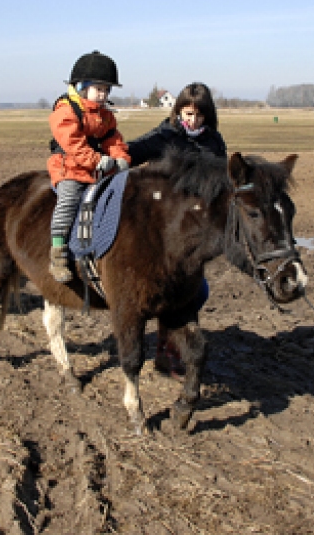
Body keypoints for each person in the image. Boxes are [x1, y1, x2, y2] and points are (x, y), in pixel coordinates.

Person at [127, 82, 227, 376]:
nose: (192, 120)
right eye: (187, 113)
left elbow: (220, 181)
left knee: (195, 292)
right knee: (160, 293)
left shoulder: (214, 142)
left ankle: (167, 351)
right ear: (178, 110)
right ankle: (166, 349)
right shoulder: (166, 135)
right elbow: (133, 150)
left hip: (194, 233)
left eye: (199, 115)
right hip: (159, 231)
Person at [48, 50, 131, 283]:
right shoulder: (66, 111)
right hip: (70, 169)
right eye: (99, 89)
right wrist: (97, 160)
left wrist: (121, 157)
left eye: (107, 90)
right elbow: (73, 144)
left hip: (99, 170)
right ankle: (58, 254)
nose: (103, 94)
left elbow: (113, 139)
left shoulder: (105, 116)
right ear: (82, 87)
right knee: (68, 202)